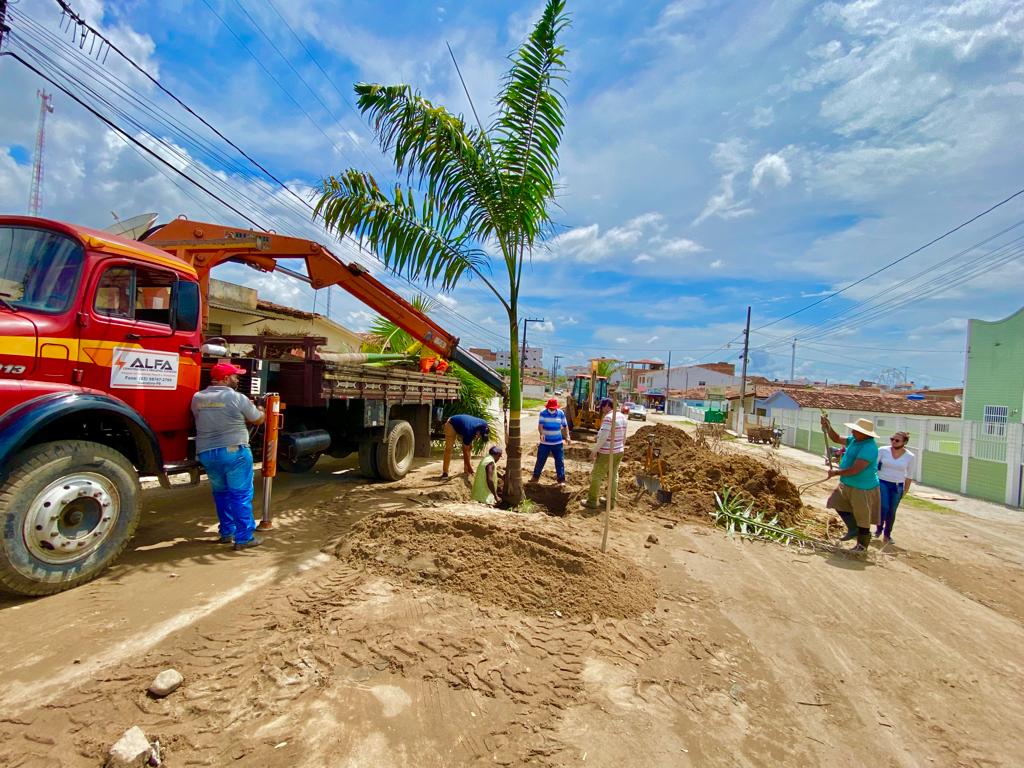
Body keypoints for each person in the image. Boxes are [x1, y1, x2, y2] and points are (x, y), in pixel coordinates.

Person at [191, 362, 265, 550]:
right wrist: (262, 409)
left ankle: (226, 532)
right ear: (225, 379)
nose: (237, 379)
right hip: (234, 453)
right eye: (235, 376)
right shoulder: (237, 398)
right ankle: (244, 538)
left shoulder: (197, 397)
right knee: (240, 495)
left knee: (221, 494)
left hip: (207, 454)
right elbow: (257, 418)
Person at [821, 415, 880, 552]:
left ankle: (862, 546)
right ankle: (853, 529)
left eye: (855, 430)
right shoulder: (854, 440)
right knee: (836, 503)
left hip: (862, 487)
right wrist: (828, 426)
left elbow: (856, 469)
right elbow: (836, 438)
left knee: (862, 516)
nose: (852, 432)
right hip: (847, 483)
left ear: (865, 434)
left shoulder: (869, 448)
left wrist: (836, 472)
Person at [582, 398, 628, 510]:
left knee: (597, 475)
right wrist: (620, 446)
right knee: (613, 476)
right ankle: (611, 502)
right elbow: (624, 436)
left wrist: (594, 451)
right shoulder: (623, 417)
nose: (602, 410)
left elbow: (603, 437)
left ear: (607, 406)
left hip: (607, 452)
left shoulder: (609, 418)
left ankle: (592, 501)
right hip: (619, 451)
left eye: (603, 407)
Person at [876, 431, 914, 543]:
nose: (893, 442)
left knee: (892, 511)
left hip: (897, 485)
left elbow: (909, 475)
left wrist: (905, 490)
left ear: (904, 442)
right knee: (884, 506)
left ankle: (887, 534)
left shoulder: (910, 456)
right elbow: (874, 466)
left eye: (897, 440)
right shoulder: (883, 450)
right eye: (892, 439)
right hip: (882, 481)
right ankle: (878, 529)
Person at [531, 397, 571, 486]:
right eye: (550, 408)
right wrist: (541, 434)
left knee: (559, 461)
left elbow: (565, 426)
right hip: (545, 443)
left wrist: (567, 436)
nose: (552, 409)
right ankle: (535, 477)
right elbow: (540, 426)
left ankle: (561, 479)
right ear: (548, 407)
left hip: (557, 443)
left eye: (553, 408)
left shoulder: (561, 413)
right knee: (540, 460)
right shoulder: (543, 413)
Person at [442, 414, 490, 478]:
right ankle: (445, 472)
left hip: (463, 425)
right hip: (452, 423)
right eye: (480, 435)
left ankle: (466, 470)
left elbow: (482, 432)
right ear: (477, 432)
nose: (479, 437)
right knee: (449, 448)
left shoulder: (485, 424)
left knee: (470, 447)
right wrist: (471, 468)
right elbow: (465, 452)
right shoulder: (469, 431)